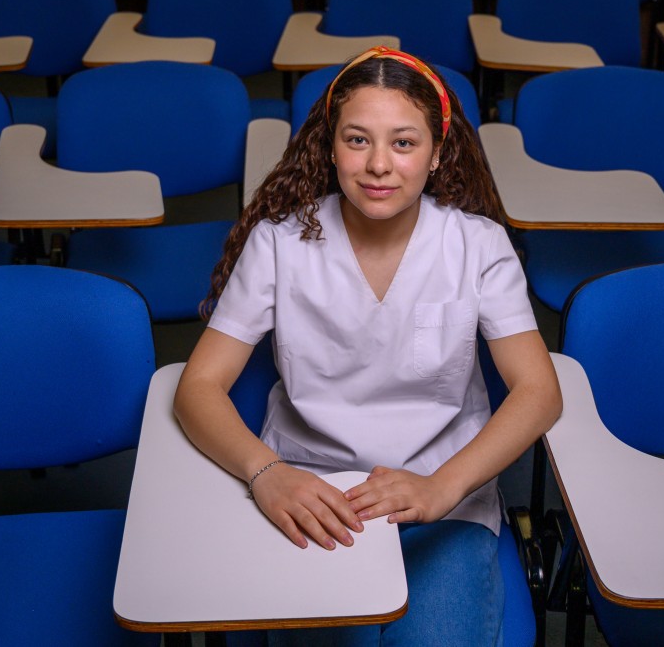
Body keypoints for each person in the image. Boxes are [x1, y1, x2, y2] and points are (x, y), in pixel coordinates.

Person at [174, 46, 562, 646]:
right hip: (314, 495)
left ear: (437, 154)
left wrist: (442, 486)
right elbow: (198, 388)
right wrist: (266, 474)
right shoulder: (279, 243)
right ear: (330, 149)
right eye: (358, 140)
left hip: (444, 497)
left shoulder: (478, 244)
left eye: (404, 143)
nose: (379, 164)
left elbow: (538, 393)